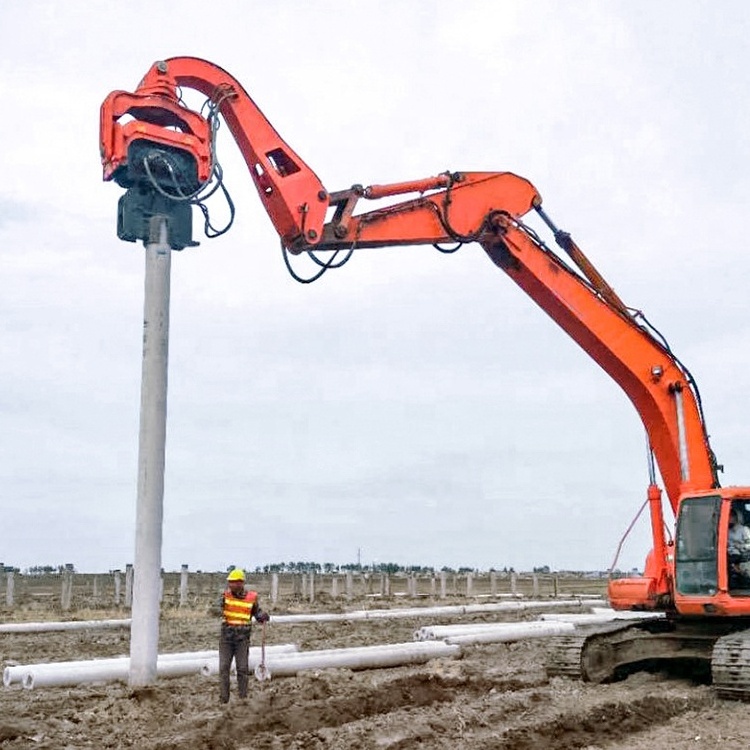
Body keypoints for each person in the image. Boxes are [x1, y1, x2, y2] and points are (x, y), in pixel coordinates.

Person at [214, 567, 270, 703]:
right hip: (226, 639)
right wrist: (216, 609)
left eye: (233, 582)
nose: (230, 584)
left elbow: (257, 613)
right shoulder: (225, 596)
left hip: (242, 640)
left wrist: (262, 616)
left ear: (240, 583)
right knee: (224, 668)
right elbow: (214, 609)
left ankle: (243, 699)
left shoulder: (251, 598)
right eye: (229, 582)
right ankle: (223, 700)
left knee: (242, 669)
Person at [728, 508, 750, 587]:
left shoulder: (744, 530)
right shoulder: (727, 531)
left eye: (731, 516)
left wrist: (740, 546)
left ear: (737, 517)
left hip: (741, 555)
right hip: (729, 554)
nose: (729, 518)